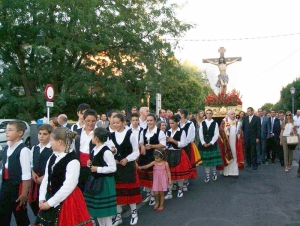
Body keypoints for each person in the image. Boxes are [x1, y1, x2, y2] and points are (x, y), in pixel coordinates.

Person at [35, 128, 92, 226]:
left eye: (51, 141)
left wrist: (50, 203)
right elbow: (46, 178)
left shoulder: (72, 161)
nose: (50, 143)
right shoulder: (53, 156)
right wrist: (42, 198)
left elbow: (68, 186)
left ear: (59, 142)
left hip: (68, 200)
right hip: (51, 196)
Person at [108, 113, 142, 226]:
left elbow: (136, 151)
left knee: (130, 190)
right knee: (118, 191)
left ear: (123, 122)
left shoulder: (130, 134)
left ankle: (134, 213)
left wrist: (127, 159)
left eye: (118, 122)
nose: (115, 125)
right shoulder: (111, 135)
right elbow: (112, 151)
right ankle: (118, 216)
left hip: (128, 166)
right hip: (117, 167)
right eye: (114, 123)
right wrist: (114, 156)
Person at [0, 121, 31, 226]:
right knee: (3, 215)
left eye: (10, 130)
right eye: (6, 130)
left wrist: (24, 194)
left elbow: (26, 175)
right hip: (5, 186)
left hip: (17, 187)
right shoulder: (6, 148)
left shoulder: (23, 150)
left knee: (20, 215)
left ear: (20, 133)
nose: (7, 132)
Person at [84, 128, 117, 226]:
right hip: (96, 181)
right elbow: (96, 163)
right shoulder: (94, 149)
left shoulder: (106, 151)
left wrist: (97, 169)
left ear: (96, 138)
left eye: (92, 135)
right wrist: (90, 164)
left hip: (105, 183)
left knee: (105, 213)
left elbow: (113, 168)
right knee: (98, 211)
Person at [138, 113, 166, 206]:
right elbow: (141, 141)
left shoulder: (159, 132)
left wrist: (152, 146)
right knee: (146, 176)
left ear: (155, 121)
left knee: (154, 176)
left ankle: (154, 196)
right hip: (145, 155)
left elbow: (163, 144)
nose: (149, 122)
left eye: (151, 120)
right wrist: (142, 146)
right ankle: (149, 194)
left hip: (155, 156)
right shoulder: (143, 131)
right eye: (148, 120)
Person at [165, 115, 191, 199]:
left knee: (180, 173)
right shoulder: (168, 131)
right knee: (169, 173)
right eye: (170, 123)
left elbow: (183, 143)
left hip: (178, 152)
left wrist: (173, 141)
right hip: (169, 152)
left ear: (177, 122)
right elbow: (165, 144)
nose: (171, 125)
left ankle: (180, 189)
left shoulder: (181, 131)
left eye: (172, 123)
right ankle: (169, 191)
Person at [29, 124, 53, 216]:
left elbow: (52, 166)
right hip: (35, 180)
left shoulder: (51, 149)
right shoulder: (35, 148)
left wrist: (44, 177)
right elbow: (31, 163)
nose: (41, 136)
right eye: (40, 133)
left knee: (44, 202)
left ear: (50, 135)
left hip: (46, 180)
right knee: (34, 203)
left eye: (45, 134)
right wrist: (33, 173)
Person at [74, 109, 97, 191]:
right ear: (83, 120)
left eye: (93, 121)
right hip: (79, 163)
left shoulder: (98, 132)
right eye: (88, 121)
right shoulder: (78, 132)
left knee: (90, 187)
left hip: (92, 163)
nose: (90, 123)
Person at [218, 110, 244, 177]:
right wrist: (226, 130)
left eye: (234, 114)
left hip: (235, 142)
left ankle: (234, 172)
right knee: (227, 155)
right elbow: (220, 131)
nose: (234, 115)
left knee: (235, 155)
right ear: (228, 115)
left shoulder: (237, 122)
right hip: (227, 142)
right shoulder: (224, 121)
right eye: (232, 114)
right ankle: (226, 172)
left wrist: (239, 132)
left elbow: (239, 133)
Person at [178, 109, 200, 190]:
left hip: (187, 146)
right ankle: (179, 180)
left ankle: (185, 181)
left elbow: (190, 136)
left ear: (183, 115)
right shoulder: (177, 123)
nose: (177, 114)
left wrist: (182, 144)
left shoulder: (190, 124)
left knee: (186, 163)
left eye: (178, 113)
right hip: (178, 146)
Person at [199, 109, 222, 182]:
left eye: (210, 113)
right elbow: (200, 134)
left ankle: (214, 173)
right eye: (207, 113)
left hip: (212, 143)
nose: (208, 115)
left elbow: (216, 134)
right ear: (206, 114)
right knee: (206, 162)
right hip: (204, 143)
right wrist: (203, 143)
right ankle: (207, 176)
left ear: (212, 114)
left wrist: (211, 142)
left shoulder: (215, 123)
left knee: (213, 161)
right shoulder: (202, 123)